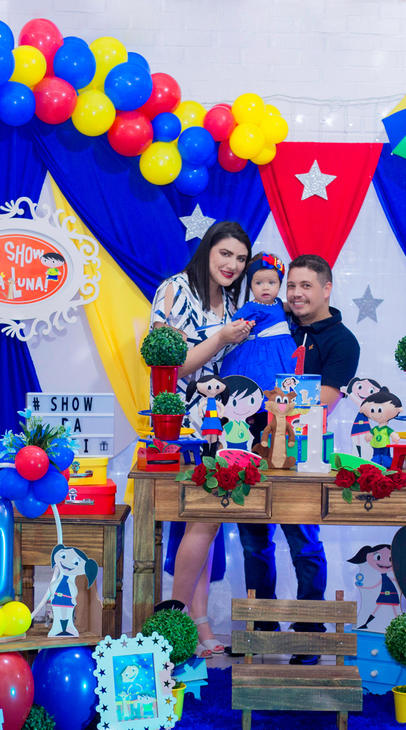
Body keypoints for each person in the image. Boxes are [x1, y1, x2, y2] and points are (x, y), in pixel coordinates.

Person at [237, 254, 360, 665]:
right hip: (253, 450)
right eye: (291, 285)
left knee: (303, 544)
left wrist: (265, 397)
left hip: (305, 458)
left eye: (306, 285)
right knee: (253, 543)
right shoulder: (276, 322)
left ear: (327, 289)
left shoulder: (342, 341)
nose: (295, 293)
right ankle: (262, 629)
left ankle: (309, 633)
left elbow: (323, 401)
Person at [151, 221, 252, 658]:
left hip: (218, 425)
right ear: (208, 249)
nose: (233, 265)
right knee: (203, 519)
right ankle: (174, 620)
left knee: (207, 520)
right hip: (180, 426)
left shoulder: (230, 302)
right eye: (225, 253)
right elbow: (170, 366)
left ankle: (198, 621)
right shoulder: (174, 291)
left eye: (241, 259)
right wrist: (220, 338)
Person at [219, 253, 297, 394]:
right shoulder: (251, 308)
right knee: (267, 385)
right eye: (258, 283)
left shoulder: (278, 303)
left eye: (271, 282)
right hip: (263, 355)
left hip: (284, 352)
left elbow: (290, 308)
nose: (265, 288)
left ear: (280, 285)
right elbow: (236, 324)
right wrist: (244, 327)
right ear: (250, 286)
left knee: (287, 385)